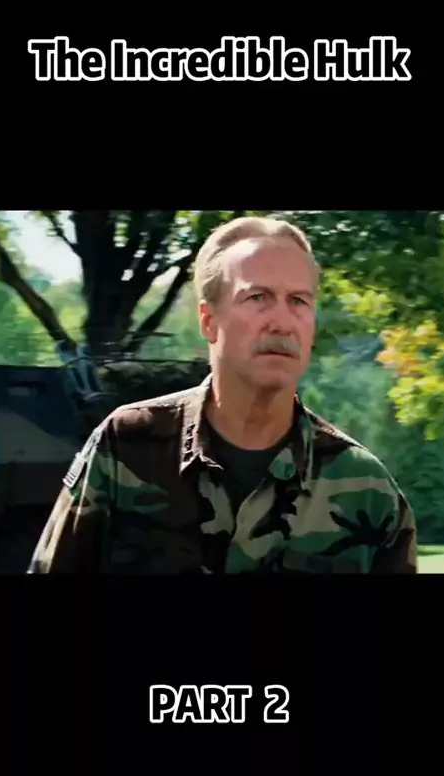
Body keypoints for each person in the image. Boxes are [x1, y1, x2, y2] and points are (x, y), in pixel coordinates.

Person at [27, 215, 417, 574]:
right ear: (208, 321)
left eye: (298, 301)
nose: (282, 322)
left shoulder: (365, 488)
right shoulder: (126, 446)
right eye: (257, 297)